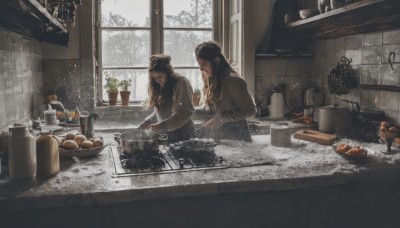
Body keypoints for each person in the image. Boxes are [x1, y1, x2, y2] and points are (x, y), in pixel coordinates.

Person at [195, 41, 255, 142]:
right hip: (222, 138)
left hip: (239, 140)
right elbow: (215, 109)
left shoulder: (234, 81)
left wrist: (222, 118)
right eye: (199, 65)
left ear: (217, 61)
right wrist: (190, 112)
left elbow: (250, 110)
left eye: (204, 65)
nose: (201, 69)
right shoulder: (211, 78)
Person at [138, 54, 195, 143]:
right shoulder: (160, 85)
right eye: (154, 78)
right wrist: (147, 121)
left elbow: (183, 113)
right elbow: (160, 111)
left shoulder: (181, 82)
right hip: (167, 135)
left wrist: (160, 126)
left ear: (169, 73)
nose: (157, 81)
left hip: (184, 135)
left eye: (160, 77)